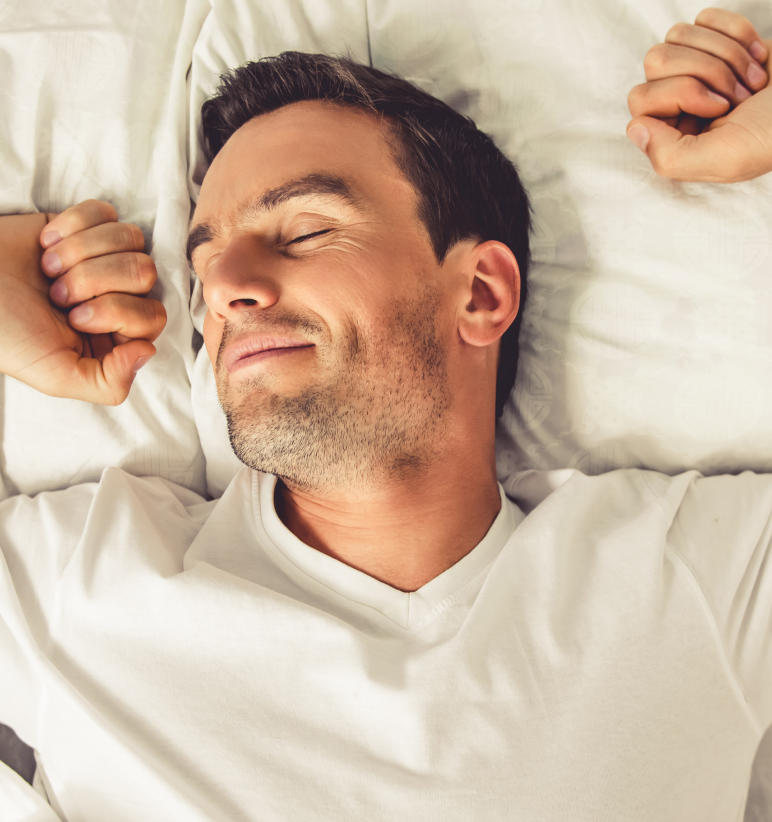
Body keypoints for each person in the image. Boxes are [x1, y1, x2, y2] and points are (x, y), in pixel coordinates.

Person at [0, 7, 769, 820]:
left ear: (480, 292)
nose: (225, 289)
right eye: (204, 266)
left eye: (303, 230)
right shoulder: (78, 581)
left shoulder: (695, 582)